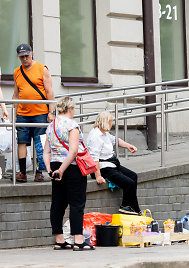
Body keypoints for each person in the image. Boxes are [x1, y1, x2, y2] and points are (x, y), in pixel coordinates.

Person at [43, 97, 94, 251]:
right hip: (71, 167)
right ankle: (78, 240)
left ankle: (59, 239)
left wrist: (51, 170)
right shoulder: (72, 125)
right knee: (77, 203)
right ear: (70, 109)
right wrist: (62, 170)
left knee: (58, 203)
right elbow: (72, 152)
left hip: (55, 165)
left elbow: (46, 152)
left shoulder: (51, 126)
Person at [13, 43, 55, 183]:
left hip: (40, 112)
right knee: (22, 142)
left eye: (26, 55)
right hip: (23, 113)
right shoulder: (17, 71)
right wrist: (14, 112)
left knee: (39, 143)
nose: (24, 59)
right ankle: (23, 173)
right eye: (21, 57)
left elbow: (49, 91)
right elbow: (16, 94)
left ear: (31, 53)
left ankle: (39, 172)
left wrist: (51, 112)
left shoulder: (42, 69)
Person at [87, 111, 141, 215]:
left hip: (112, 164)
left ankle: (134, 208)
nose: (112, 125)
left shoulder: (105, 133)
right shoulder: (95, 136)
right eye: (111, 122)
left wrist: (128, 146)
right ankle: (125, 206)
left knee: (133, 176)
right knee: (128, 183)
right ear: (105, 122)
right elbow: (95, 159)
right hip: (104, 168)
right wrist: (98, 176)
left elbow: (116, 140)